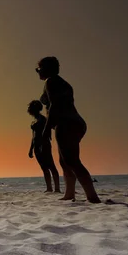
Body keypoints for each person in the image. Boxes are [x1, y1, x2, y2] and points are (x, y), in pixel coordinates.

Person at [36, 56, 100, 203]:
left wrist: (46, 130)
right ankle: (69, 193)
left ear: (47, 69)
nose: (38, 72)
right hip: (74, 123)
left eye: (39, 69)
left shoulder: (51, 81)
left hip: (66, 123)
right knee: (65, 161)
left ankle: (92, 197)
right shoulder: (62, 83)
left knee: (72, 160)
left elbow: (54, 106)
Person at [27, 100, 61, 193]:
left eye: (30, 108)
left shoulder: (43, 119)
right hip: (36, 145)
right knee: (44, 168)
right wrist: (31, 149)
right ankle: (49, 188)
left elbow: (47, 133)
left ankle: (57, 188)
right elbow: (33, 136)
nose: (28, 110)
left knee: (51, 166)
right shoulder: (34, 121)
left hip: (44, 144)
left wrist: (43, 145)